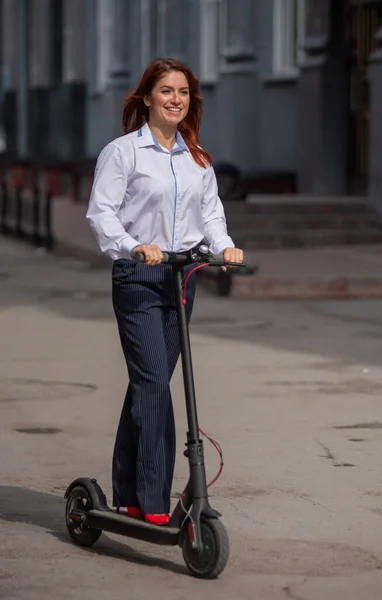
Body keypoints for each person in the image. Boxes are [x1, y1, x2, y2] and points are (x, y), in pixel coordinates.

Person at [86, 58, 243, 526]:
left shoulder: (198, 159)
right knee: (154, 384)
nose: (176, 99)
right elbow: (102, 213)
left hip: (183, 278)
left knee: (147, 386)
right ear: (148, 97)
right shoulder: (124, 153)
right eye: (166, 91)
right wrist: (134, 247)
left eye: (184, 93)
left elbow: (211, 216)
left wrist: (225, 247)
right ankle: (153, 502)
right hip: (138, 278)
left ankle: (128, 493)